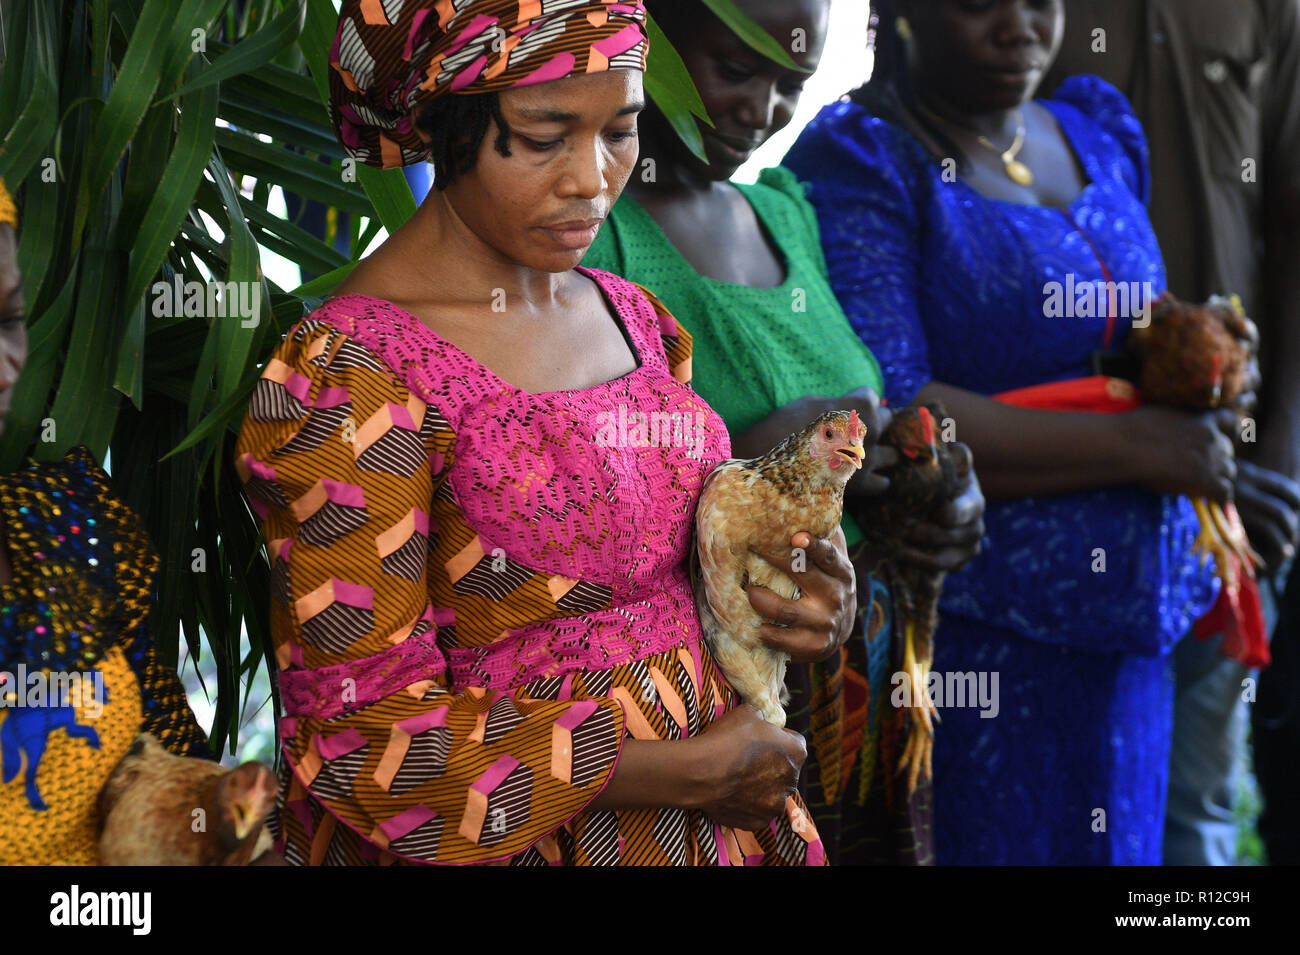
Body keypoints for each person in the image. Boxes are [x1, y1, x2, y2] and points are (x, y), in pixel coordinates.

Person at [235, 0, 865, 866]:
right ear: (444, 122)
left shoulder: (636, 319)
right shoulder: (353, 374)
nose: (592, 178)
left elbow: (667, 567)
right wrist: (670, 774)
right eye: (544, 135)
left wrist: (794, 595)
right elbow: (360, 726)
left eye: (621, 130)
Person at [784, 0, 1235, 864]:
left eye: (1039, 1)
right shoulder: (867, 158)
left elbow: (1128, 334)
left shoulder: (1094, 129)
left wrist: (1196, 353)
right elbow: (897, 404)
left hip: (1135, 632)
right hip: (984, 635)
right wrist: (1141, 445)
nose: (1020, 25)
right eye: (980, 6)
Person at [583, 0, 985, 864]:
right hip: (722, 716)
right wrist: (764, 453)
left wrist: (934, 485)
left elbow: (872, 431)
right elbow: (587, 502)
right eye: (736, 69)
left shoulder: (787, 212)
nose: (763, 110)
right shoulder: (598, 241)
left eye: (792, 84)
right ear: (649, 36)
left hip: (856, 696)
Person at [1046, 0, 1300, 866]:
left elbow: (1292, 223)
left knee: (1193, 805)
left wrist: (1271, 462)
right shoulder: (1030, 16)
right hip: (1052, 472)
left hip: (1230, 487)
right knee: (1068, 792)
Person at [0, 177, 211, 865]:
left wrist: (221, 829)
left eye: (6, 320)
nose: (5, 368)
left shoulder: (67, 521)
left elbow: (169, 761)